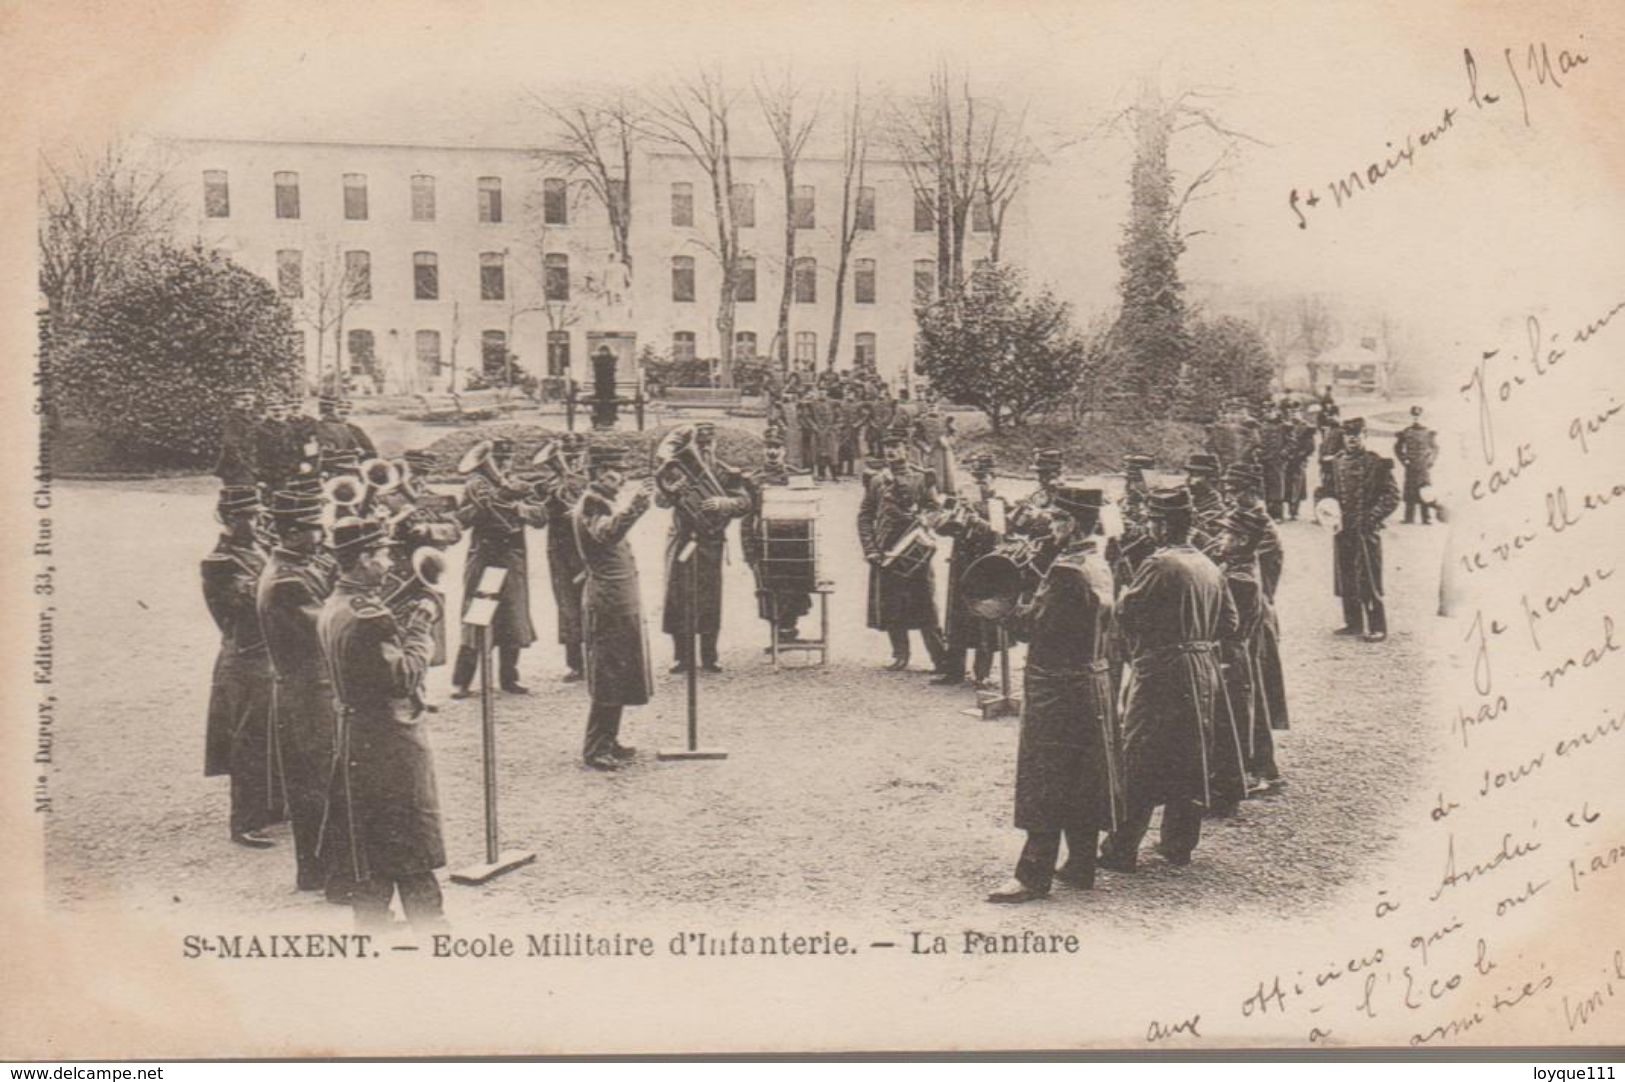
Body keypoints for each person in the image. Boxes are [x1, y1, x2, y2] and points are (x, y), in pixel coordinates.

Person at [986, 487, 1122, 903]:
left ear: (1074, 523)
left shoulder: (1066, 571)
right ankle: (1080, 864)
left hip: (1055, 688)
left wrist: (1005, 606)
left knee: (1045, 778)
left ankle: (1032, 875)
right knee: (1082, 776)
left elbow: (1035, 628)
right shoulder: (1097, 562)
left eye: (1058, 519)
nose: (1052, 525)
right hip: (1091, 682)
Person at [316, 516, 446, 931]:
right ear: (363, 558)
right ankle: (435, 936)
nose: (390, 563)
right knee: (411, 844)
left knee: (369, 846)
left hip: (358, 738)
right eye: (383, 554)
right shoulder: (369, 617)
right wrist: (421, 626)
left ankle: (371, 932)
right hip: (390, 742)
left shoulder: (337, 604)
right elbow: (404, 676)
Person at [1099, 488, 1237, 872]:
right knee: (1190, 756)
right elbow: (1230, 623)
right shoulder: (1210, 566)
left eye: (1154, 520)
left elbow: (1126, 612)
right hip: (1202, 669)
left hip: (1161, 670)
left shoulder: (1159, 564)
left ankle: (1121, 847)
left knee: (1140, 754)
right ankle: (1179, 844)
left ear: (1162, 524)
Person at [256, 489, 341, 895]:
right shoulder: (288, 580)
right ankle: (324, 874)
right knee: (316, 786)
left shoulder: (298, 566)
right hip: (308, 694)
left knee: (317, 783)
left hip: (309, 689)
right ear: (290, 533)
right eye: (312, 528)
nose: (321, 533)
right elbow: (328, 628)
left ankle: (317, 872)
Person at [202, 486, 277, 848]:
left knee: (272, 731)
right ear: (231, 519)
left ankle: (272, 808)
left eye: (257, 513)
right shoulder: (220, 561)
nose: (257, 520)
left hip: (266, 652)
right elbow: (246, 602)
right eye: (249, 515)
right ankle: (245, 822)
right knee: (249, 738)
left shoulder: (257, 547)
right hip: (245, 655)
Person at [575, 446, 657, 771]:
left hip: (619, 598)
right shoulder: (593, 503)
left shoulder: (603, 501)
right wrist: (636, 508)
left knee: (619, 670)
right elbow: (605, 534)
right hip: (609, 600)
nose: (619, 478)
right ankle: (596, 748)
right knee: (609, 672)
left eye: (621, 471)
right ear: (595, 473)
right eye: (612, 472)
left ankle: (610, 739)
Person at [451, 438, 548, 696]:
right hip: (485, 557)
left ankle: (509, 678)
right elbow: (463, 519)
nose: (504, 466)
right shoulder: (476, 485)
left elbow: (541, 516)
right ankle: (462, 681)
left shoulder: (517, 485)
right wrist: (482, 508)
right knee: (477, 616)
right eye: (499, 461)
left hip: (512, 556)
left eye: (507, 460)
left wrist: (517, 507)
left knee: (513, 616)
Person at [657, 422, 753, 673]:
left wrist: (724, 503)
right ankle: (682, 657)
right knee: (677, 597)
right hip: (682, 538)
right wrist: (671, 491)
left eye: (707, 445)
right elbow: (660, 501)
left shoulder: (725, 472)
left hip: (710, 540)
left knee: (709, 598)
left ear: (714, 445)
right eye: (699, 444)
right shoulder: (676, 468)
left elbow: (745, 502)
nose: (703, 450)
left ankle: (709, 655)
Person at [858, 431, 948, 672]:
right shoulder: (876, 480)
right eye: (887, 447)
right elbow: (865, 516)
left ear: (906, 450)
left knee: (926, 604)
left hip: (915, 550)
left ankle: (940, 658)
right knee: (891, 605)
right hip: (886, 549)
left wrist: (925, 521)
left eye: (896, 447)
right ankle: (900, 654)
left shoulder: (922, 478)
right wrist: (870, 548)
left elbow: (935, 509)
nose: (891, 452)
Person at [1329, 417, 1401, 642]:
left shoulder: (1376, 463)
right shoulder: (1336, 462)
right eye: (1348, 436)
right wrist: (1325, 509)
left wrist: (1372, 517)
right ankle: (1353, 623)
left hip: (1365, 530)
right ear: (1343, 438)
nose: (1352, 440)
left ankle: (1377, 626)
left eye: (1357, 435)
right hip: (1343, 529)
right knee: (1346, 576)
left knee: (1369, 577)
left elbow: (1392, 496)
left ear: (1364, 436)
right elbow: (1327, 491)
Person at [741, 433, 813, 645]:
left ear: (784, 451)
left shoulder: (796, 476)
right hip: (765, 543)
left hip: (793, 542)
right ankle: (777, 634)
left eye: (777, 447)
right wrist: (748, 550)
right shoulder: (753, 480)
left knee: (796, 587)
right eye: (768, 447)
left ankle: (789, 630)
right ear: (763, 450)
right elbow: (747, 517)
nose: (772, 452)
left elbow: (808, 509)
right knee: (768, 588)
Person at [936, 453, 1000, 688]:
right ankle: (954, 671)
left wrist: (977, 520)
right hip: (961, 563)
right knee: (957, 616)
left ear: (994, 477)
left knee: (984, 617)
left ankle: (981, 673)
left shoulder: (999, 501)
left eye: (984, 478)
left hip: (986, 566)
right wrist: (950, 513)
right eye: (976, 477)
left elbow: (1001, 532)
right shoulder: (963, 495)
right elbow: (941, 529)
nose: (979, 482)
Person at [538, 433, 590, 681]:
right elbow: (542, 515)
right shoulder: (550, 482)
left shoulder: (592, 477)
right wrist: (550, 496)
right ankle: (575, 663)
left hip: (586, 547)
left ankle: (594, 658)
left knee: (591, 603)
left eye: (575, 455)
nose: (570, 461)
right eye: (565, 456)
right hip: (559, 547)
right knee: (567, 605)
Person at [1394, 405, 1439, 525]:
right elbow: (1397, 448)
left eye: (1418, 417)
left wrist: (1431, 461)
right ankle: (1409, 518)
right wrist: (1404, 460)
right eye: (1414, 417)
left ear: (1422, 418)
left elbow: (1435, 448)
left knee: (1425, 490)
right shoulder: (1406, 432)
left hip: (1423, 467)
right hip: (1411, 466)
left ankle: (1426, 518)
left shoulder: (1428, 433)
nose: (1416, 420)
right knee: (1410, 491)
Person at [215, 389, 261, 486]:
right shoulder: (233, 419)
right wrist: (243, 463)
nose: (247, 403)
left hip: (252, 463)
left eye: (249, 400)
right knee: (241, 495)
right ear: (235, 402)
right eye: (243, 400)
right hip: (237, 467)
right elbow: (230, 444)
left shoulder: (255, 417)